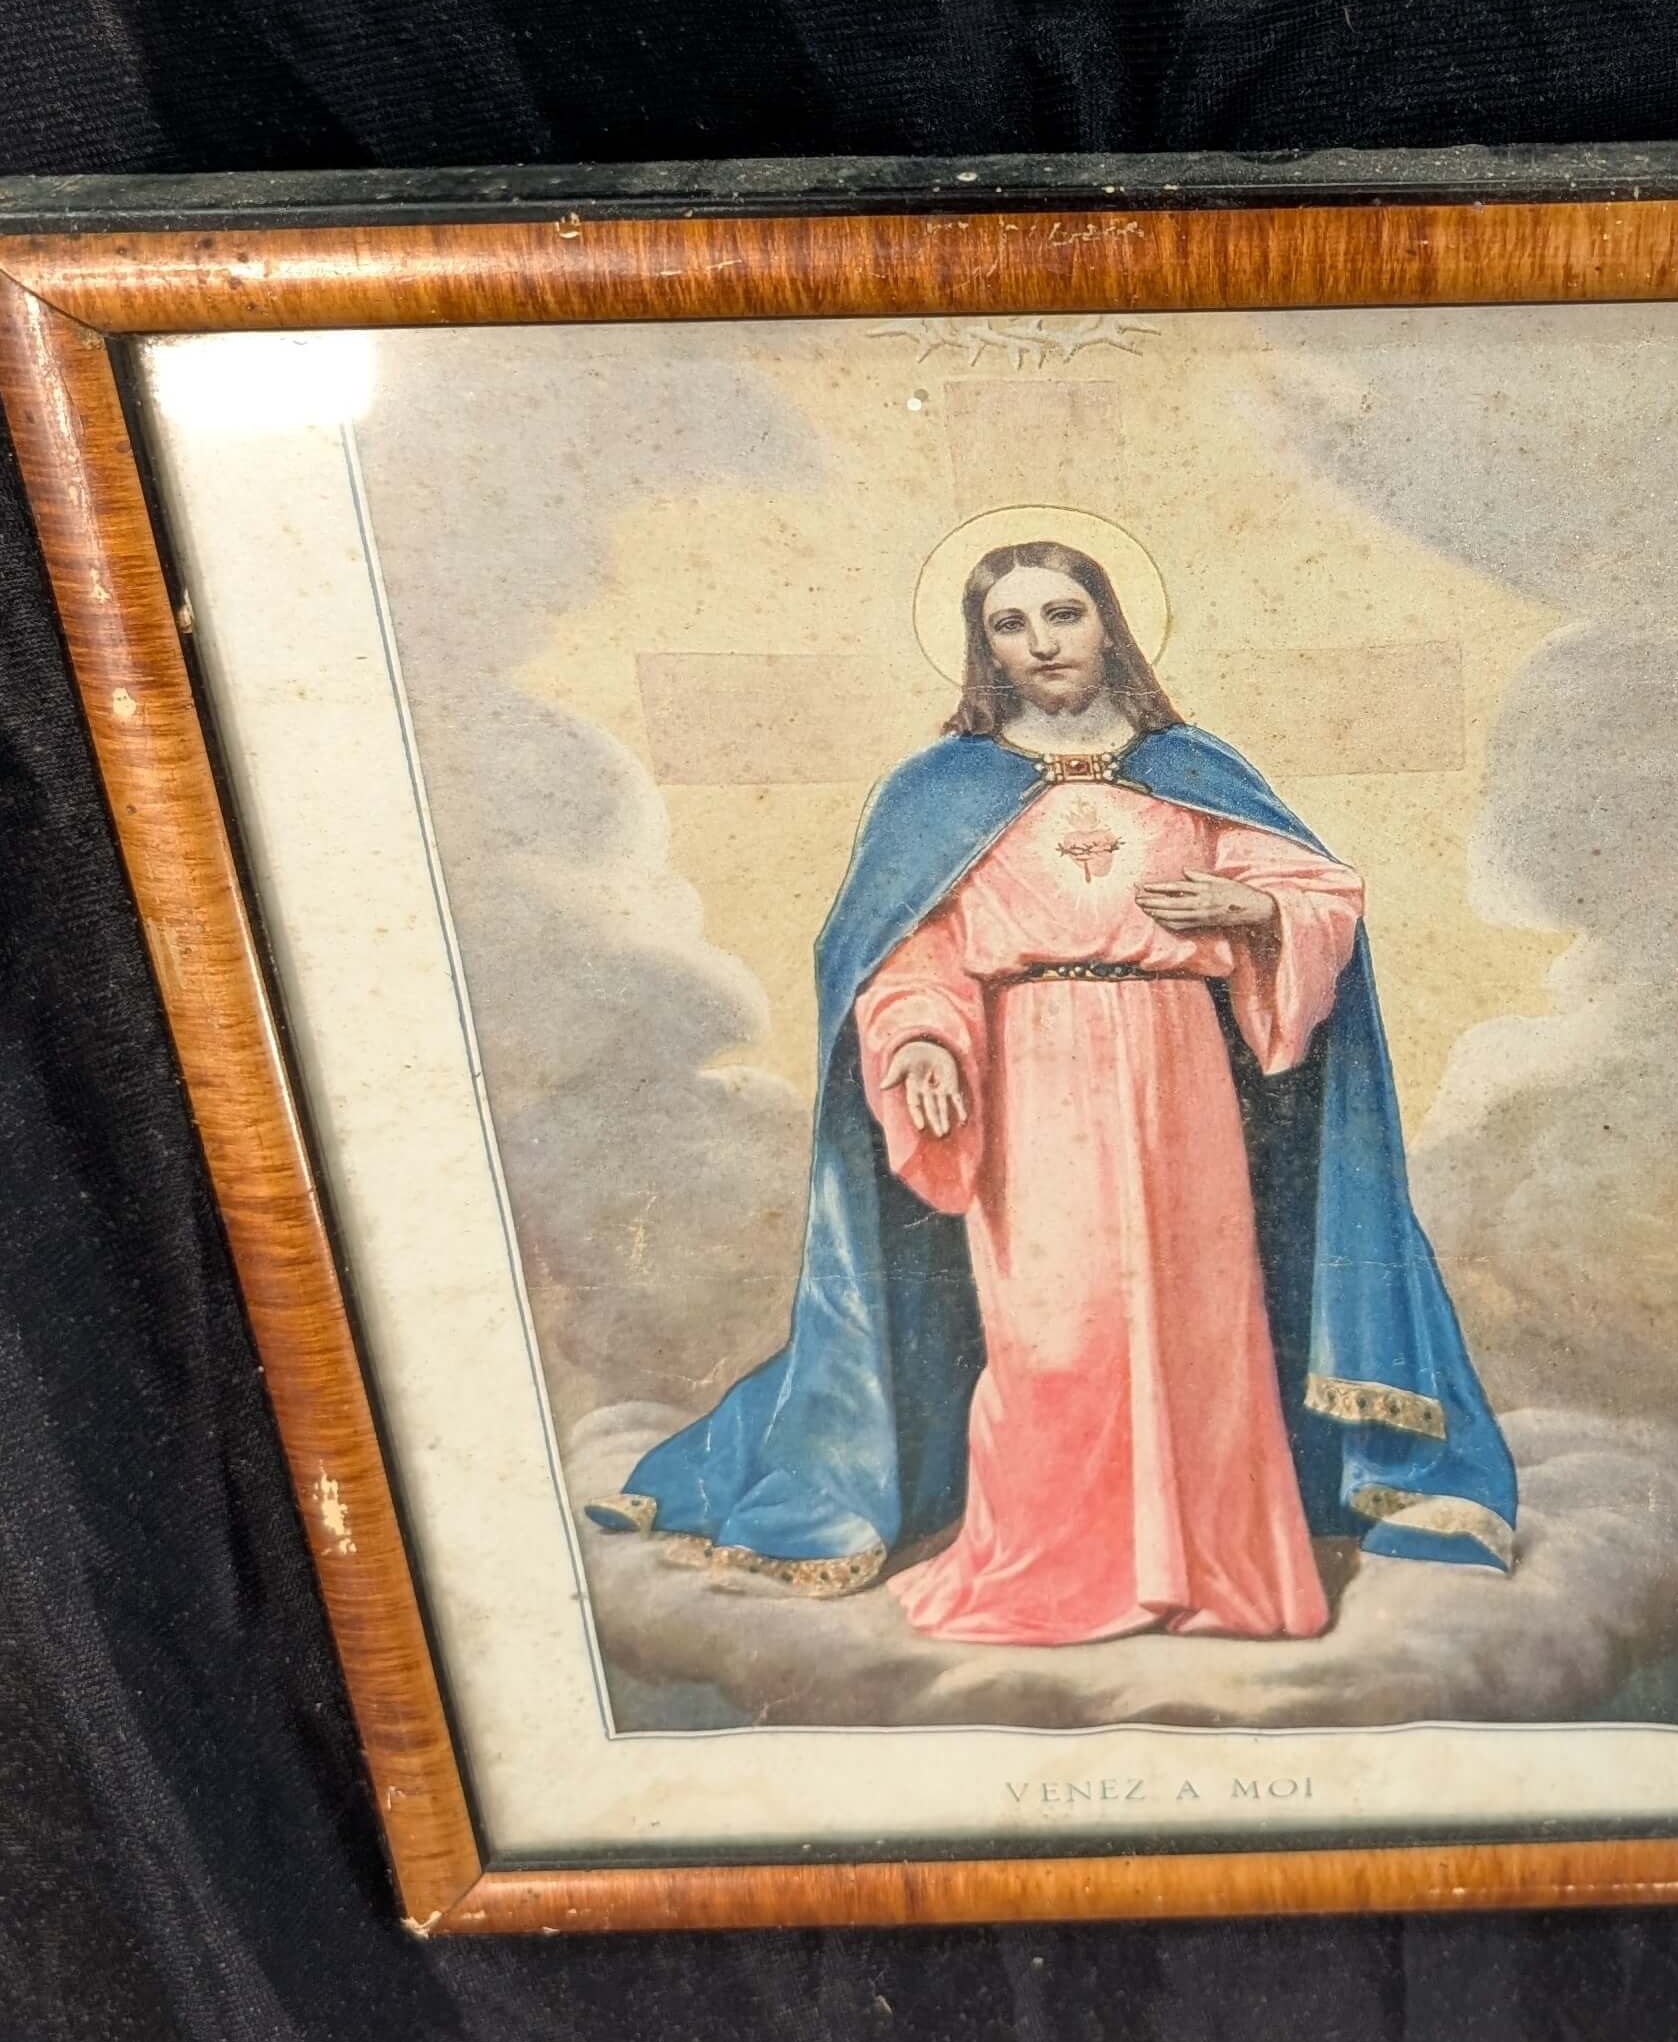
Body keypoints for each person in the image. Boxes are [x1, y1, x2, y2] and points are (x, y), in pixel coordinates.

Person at [586, 540, 1516, 1640]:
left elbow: (1315, 892)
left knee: (1202, 1326)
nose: (1041, 643)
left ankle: (1219, 1574)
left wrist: (1255, 908)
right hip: (1029, 1074)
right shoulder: (941, 790)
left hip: (1180, 1069)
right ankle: (1054, 1571)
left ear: (1108, 621)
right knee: (1055, 1332)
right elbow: (912, 949)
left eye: (1063, 613)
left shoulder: (1190, 767)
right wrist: (921, 1040)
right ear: (985, 650)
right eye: (1010, 625)